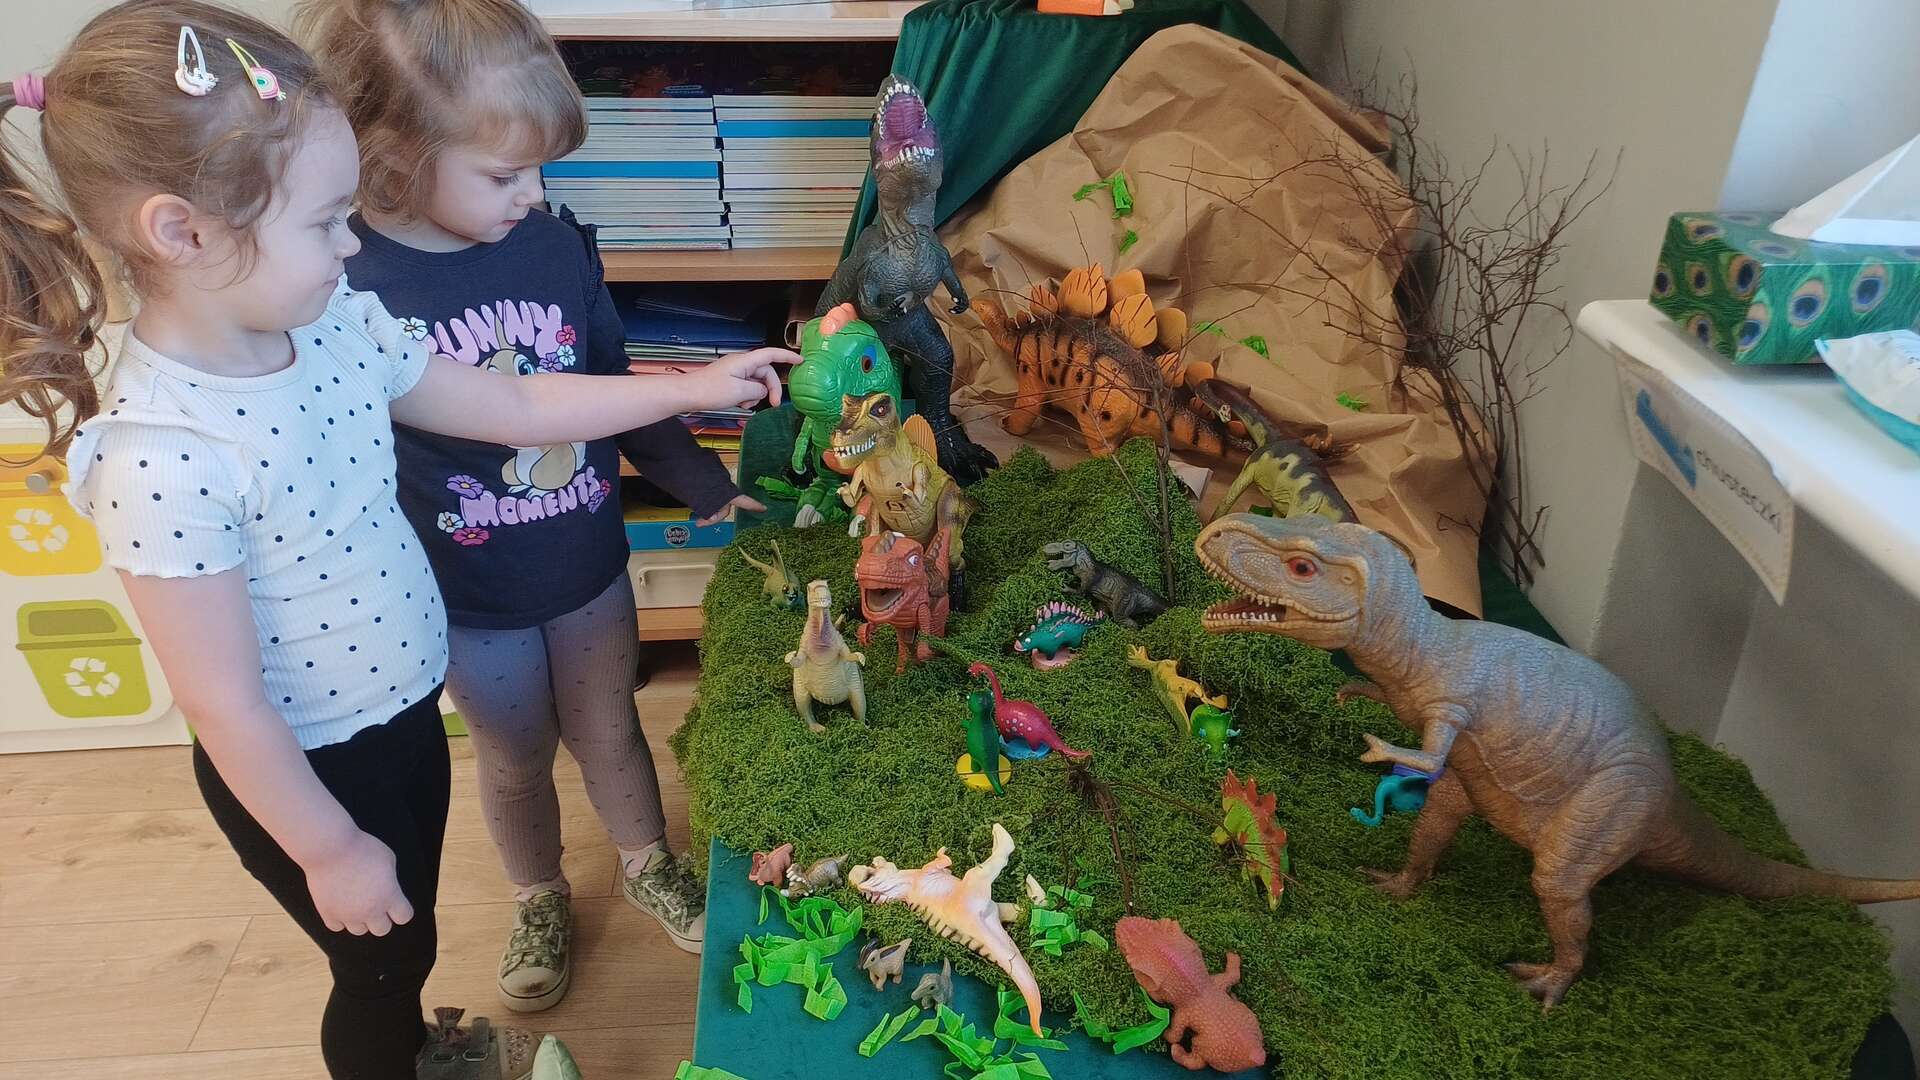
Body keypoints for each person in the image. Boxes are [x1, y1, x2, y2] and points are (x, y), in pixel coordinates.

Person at [0, 3, 792, 1076]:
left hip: (402, 709)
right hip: (310, 769)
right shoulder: (162, 455)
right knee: (380, 961)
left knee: (405, 931)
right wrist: (328, 848)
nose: (351, 243)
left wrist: (694, 388)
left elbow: (512, 406)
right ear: (182, 232)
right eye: (327, 220)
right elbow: (223, 704)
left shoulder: (334, 324)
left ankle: (420, 1045)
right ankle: (400, 1054)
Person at [296, 0, 758, 1014]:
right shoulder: (342, 282)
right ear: (395, 155)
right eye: (505, 174)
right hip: (465, 600)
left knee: (611, 729)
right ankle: (539, 893)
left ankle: (647, 863)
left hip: (586, 572)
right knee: (511, 759)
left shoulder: (551, 246)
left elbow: (608, 384)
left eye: (540, 170)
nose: (534, 194)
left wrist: (708, 485)